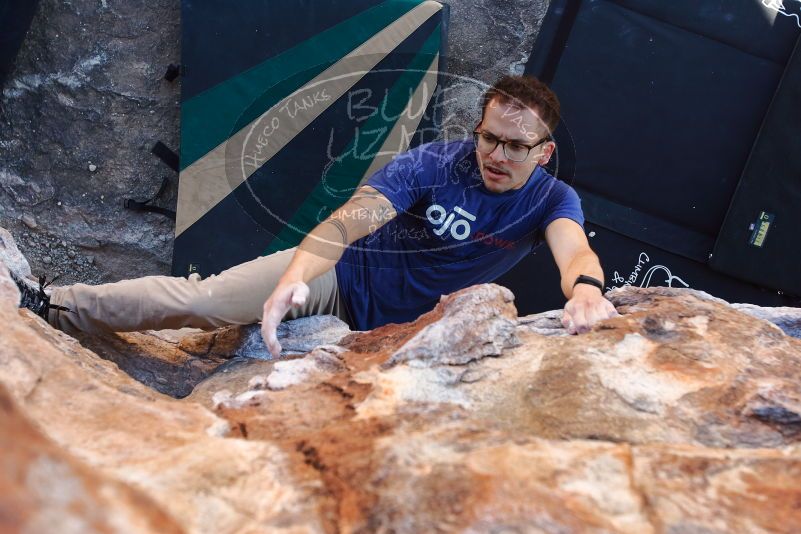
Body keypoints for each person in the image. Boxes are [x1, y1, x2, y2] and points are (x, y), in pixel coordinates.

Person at [11, 75, 618, 357]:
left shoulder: (551, 200)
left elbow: (575, 251)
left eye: (516, 146)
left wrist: (587, 292)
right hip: (341, 281)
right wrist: (297, 278)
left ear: (544, 152)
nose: (497, 155)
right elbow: (348, 222)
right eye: (489, 137)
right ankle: (51, 304)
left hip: (411, 335)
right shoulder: (436, 163)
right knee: (205, 302)